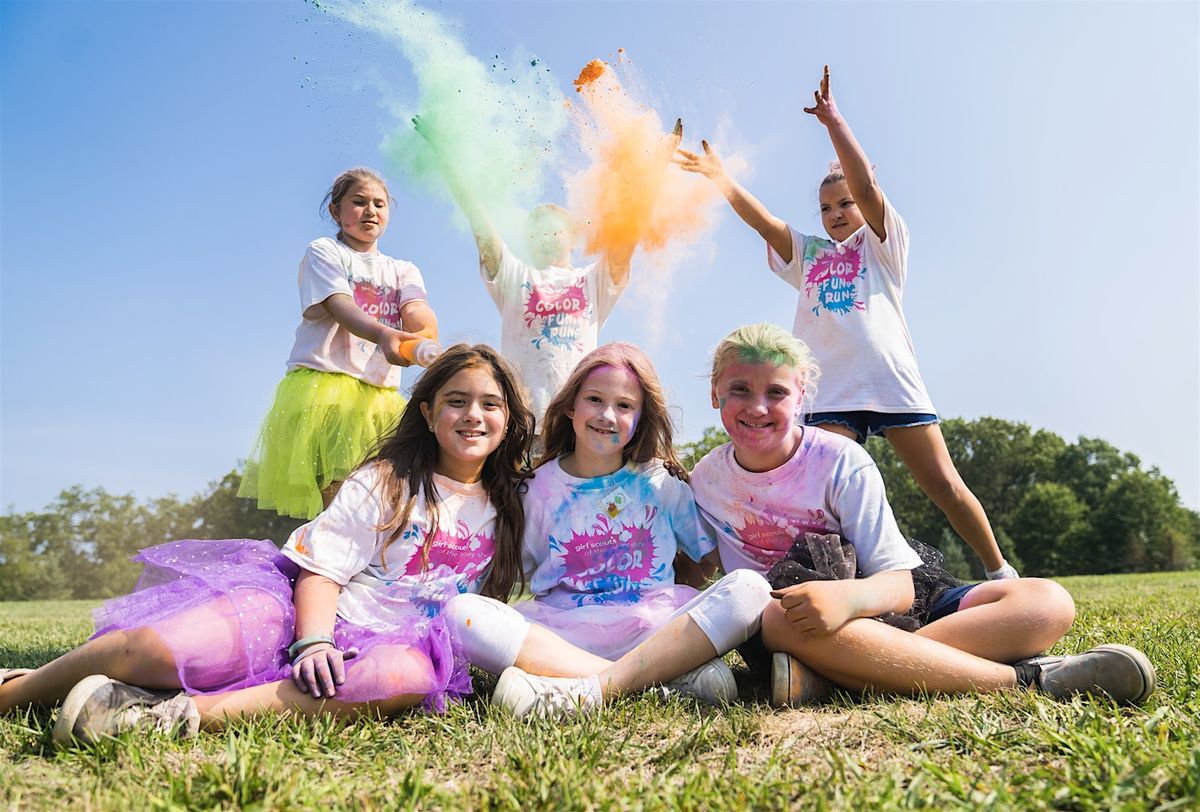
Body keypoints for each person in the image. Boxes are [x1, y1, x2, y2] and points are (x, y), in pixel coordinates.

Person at [0, 345, 536, 744]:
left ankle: (161, 716)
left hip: (403, 645)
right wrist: (315, 642)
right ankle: (18, 691)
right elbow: (322, 571)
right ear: (426, 411)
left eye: (490, 404)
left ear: (508, 417)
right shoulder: (386, 480)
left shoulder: (515, 502)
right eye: (456, 401)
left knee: (403, 677)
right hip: (306, 611)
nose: (473, 415)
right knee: (157, 650)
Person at [688, 323, 1155, 707]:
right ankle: (1027, 682)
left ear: (802, 395)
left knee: (1047, 602)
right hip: (794, 627)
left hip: (885, 605)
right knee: (777, 617)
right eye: (739, 390)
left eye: (776, 391)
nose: (757, 407)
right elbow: (694, 570)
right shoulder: (706, 479)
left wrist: (849, 601)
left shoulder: (839, 461)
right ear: (715, 393)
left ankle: (842, 678)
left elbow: (899, 584)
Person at [677, 67, 1016, 580]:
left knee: (943, 483)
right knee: (812, 493)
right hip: (828, 391)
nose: (836, 212)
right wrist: (719, 178)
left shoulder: (882, 246)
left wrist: (834, 123)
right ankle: (826, 584)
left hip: (890, 382)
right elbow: (763, 220)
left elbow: (865, 183)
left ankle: (999, 572)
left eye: (846, 203)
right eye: (826, 207)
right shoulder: (808, 255)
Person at [443, 343, 773, 718]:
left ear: (641, 417)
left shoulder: (659, 483)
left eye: (624, 406)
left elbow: (714, 560)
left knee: (750, 587)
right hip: (564, 633)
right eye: (595, 399)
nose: (607, 415)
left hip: (655, 627)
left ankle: (572, 689)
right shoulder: (535, 489)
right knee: (461, 613)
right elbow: (507, 570)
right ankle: (664, 680)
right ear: (571, 406)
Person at [413, 115, 680, 426]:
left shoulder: (593, 280)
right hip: (520, 421)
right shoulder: (515, 277)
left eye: (554, 231)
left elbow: (629, 233)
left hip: (575, 423)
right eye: (537, 233)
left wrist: (657, 169)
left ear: (573, 237)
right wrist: (446, 157)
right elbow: (478, 220)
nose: (546, 238)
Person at [238, 167, 440, 519]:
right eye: (358, 202)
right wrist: (384, 335)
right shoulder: (325, 251)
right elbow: (341, 306)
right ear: (336, 211)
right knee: (337, 499)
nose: (370, 211)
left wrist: (424, 337)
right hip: (325, 391)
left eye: (379, 204)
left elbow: (417, 309)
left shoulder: (403, 269)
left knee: (379, 503)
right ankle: (325, 568)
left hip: (379, 399)